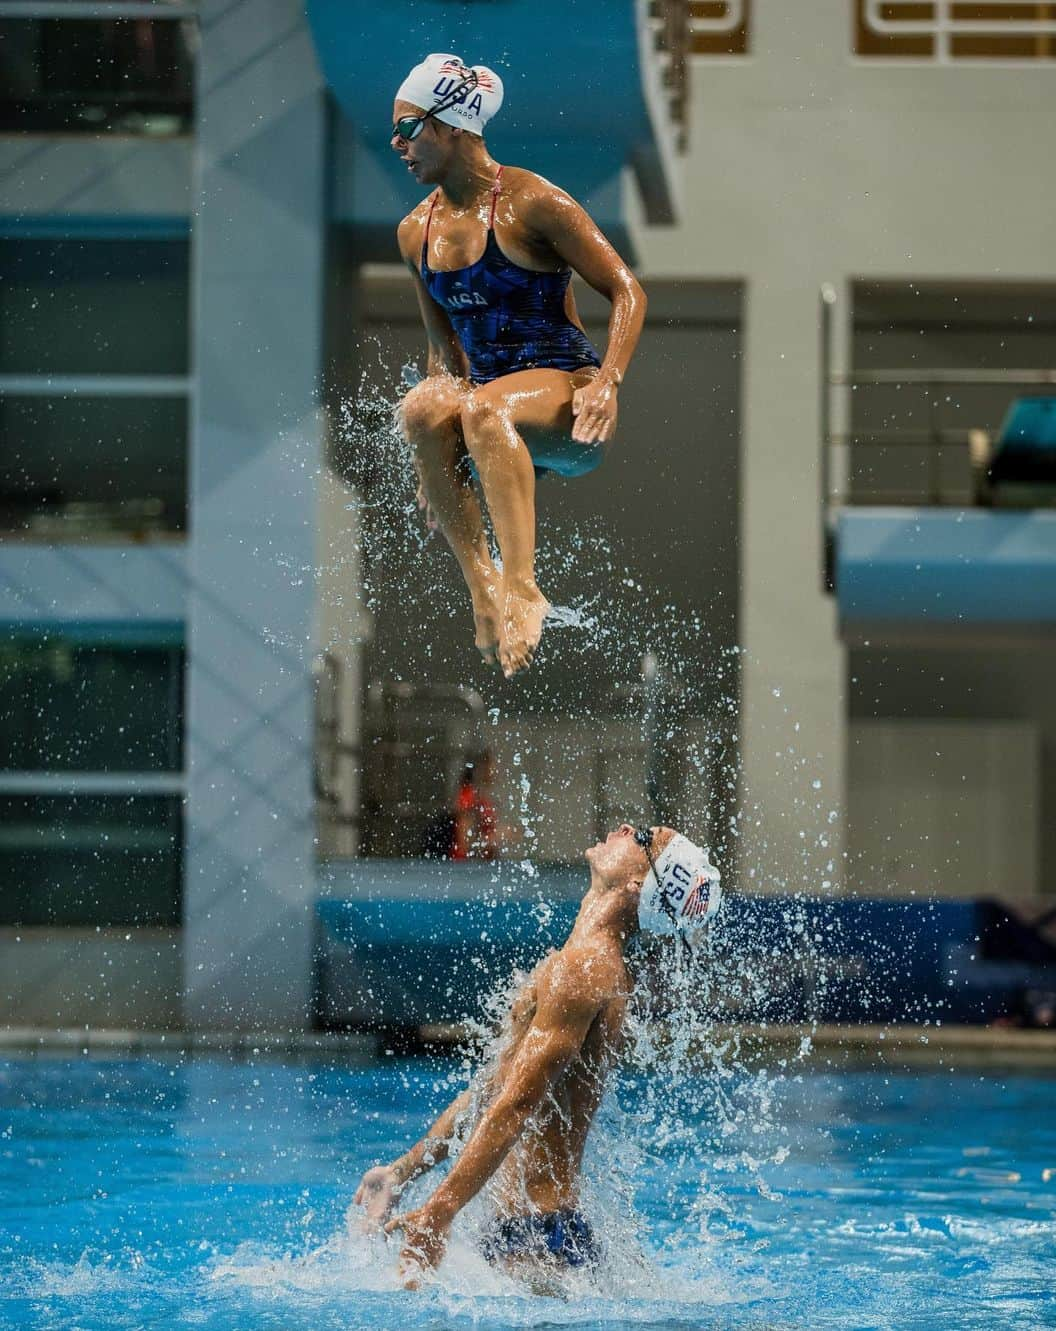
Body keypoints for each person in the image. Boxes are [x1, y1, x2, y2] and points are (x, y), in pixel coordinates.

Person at [353, 823, 722, 1288]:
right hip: (528, 1236)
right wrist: (404, 1170)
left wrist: (439, 1212)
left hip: (535, 1242)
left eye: (643, 837)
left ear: (638, 884)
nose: (627, 827)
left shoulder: (586, 968)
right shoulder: (579, 962)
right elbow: (499, 1084)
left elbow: (519, 1104)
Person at [390, 54, 647, 678]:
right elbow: (443, 357)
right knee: (422, 405)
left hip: (569, 407)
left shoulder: (530, 203)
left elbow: (627, 290)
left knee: (483, 407)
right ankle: (485, 594)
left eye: (407, 128)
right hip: (488, 426)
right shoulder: (414, 233)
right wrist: (431, 461)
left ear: (450, 125)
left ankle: (523, 586)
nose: (398, 145)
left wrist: (609, 381)